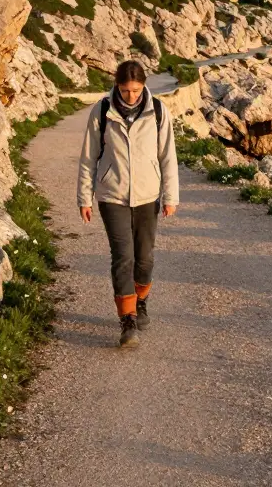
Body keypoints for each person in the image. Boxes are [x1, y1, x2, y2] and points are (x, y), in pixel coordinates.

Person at [76, 60, 179, 347]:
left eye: (135, 90)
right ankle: (128, 320)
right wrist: (84, 197)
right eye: (125, 90)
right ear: (116, 86)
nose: (130, 96)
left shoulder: (158, 111)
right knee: (123, 257)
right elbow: (88, 158)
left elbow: (167, 156)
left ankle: (141, 300)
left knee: (144, 259)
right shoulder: (102, 111)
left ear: (144, 85)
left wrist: (171, 196)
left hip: (148, 196)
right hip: (112, 196)